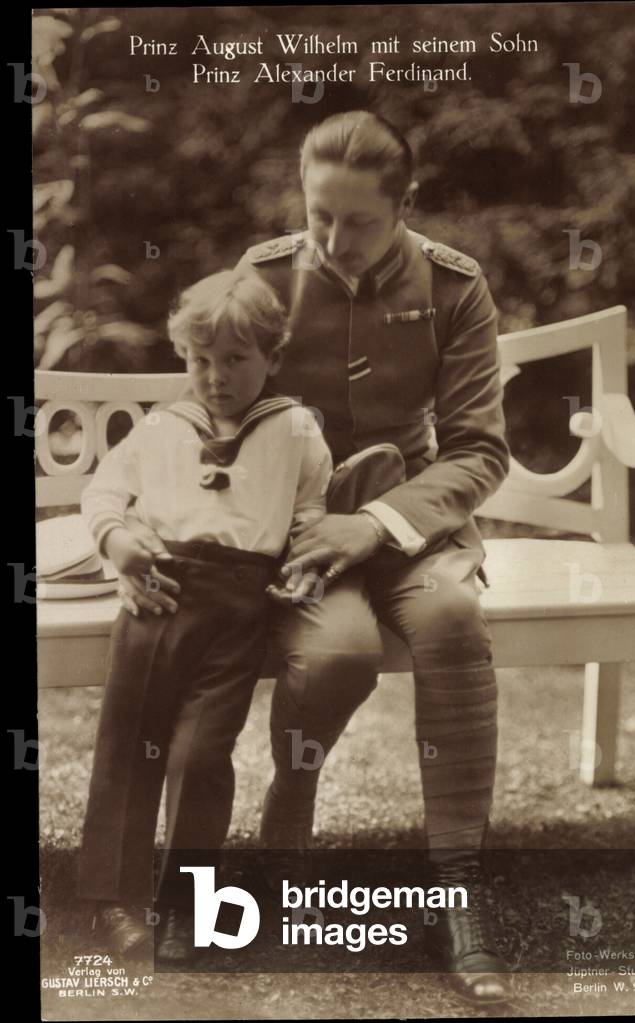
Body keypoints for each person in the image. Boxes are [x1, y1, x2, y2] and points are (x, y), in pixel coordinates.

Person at [121, 110, 513, 1003]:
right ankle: (288, 817)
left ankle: (460, 889)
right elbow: (208, 403)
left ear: (405, 204)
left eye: (360, 220)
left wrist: (373, 523)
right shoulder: (263, 276)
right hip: (293, 528)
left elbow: (479, 449)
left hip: (411, 522)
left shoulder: (456, 287)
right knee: (337, 652)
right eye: (319, 214)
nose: (334, 239)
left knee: (453, 617)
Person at [77, 270, 333, 962]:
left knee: (200, 756)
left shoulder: (294, 429)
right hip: (157, 595)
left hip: (239, 611)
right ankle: (114, 900)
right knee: (130, 750)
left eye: (235, 360)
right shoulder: (162, 427)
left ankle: (186, 906)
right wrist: (119, 544)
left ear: (272, 357)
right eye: (199, 360)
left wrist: (306, 554)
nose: (215, 377)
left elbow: (311, 508)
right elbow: (104, 492)